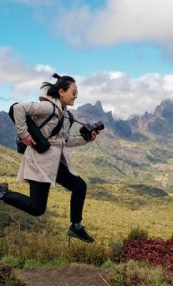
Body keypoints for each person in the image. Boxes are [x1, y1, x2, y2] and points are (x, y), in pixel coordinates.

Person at [0, 73, 99, 243]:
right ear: (61, 91)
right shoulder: (48, 108)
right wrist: (24, 135)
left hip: (54, 162)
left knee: (79, 186)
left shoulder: (66, 115)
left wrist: (86, 139)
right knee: (36, 208)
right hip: (39, 163)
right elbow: (17, 109)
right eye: (73, 92)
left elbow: (64, 141)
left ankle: (76, 226)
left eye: (77, 92)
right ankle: (3, 193)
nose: (76, 95)